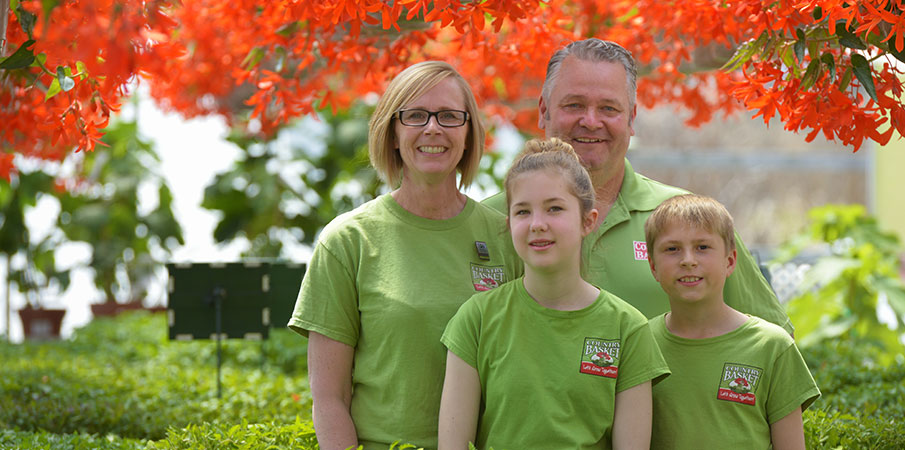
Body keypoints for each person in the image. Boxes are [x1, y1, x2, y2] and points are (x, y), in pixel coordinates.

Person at [482, 38, 793, 334]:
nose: (591, 121)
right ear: (543, 111)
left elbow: (771, 341)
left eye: (608, 108)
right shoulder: (487, 221)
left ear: (631, 118)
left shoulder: (692, 220)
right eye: (574, 105)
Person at [288, 61, 522, 450]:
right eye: (415, 115)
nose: (433, 128)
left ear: (468, 134)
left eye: (449, 116)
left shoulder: (505, 237)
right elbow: (330, 400)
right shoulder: (348, 240)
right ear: (393, 133)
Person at [438, 138, 670, 450]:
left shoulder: (627, 328)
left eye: (554, 208)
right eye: (523, 212)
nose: (537, 224)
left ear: (588, 221)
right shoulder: (477, 318)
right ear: (509, 224)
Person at [644, 194, 819, 449]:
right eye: (672, 249)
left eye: (703, 247)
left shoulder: (772, 346)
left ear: (730, 261)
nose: (688, 260)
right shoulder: (640, 343)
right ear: (653, 266)